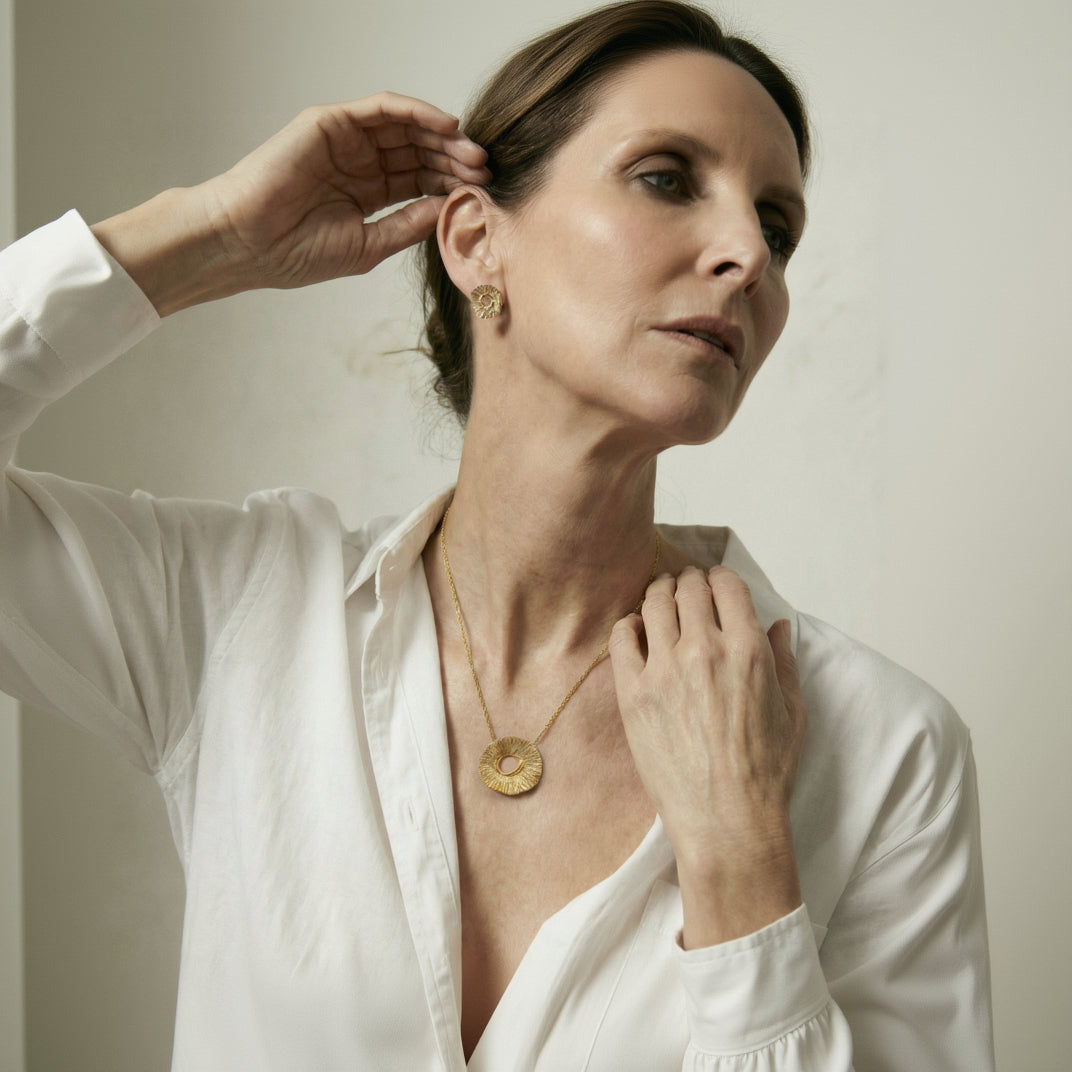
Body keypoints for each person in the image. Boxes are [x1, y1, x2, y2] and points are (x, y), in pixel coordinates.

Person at [0, 1, 993, 1068]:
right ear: (476, 239)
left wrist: (741, 863)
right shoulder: (237, 614)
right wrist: (208, 237)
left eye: (778, 225)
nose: (749, 253)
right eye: (666, 176)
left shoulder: (883, 748)